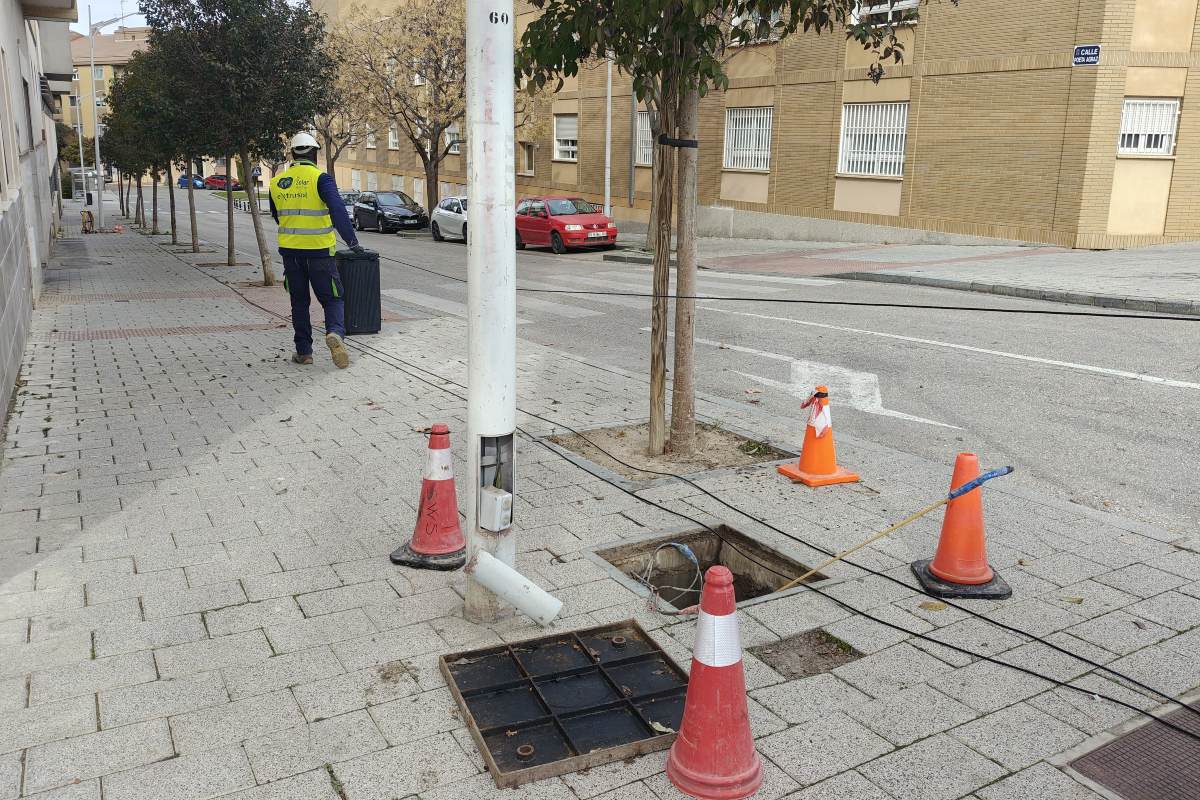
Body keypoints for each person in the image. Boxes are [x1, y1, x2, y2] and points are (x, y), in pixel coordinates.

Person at [269, 132, 363, 368]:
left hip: (290, 254)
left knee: (298, 302)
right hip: (320, 253)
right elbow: (338, 211)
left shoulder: (276, 182)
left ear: (292, 153)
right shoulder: (321, 179)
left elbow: (276, 216)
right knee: (333, 299)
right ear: (314, 153)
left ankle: (304, 353)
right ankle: (334, 334)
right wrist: (352, 243)